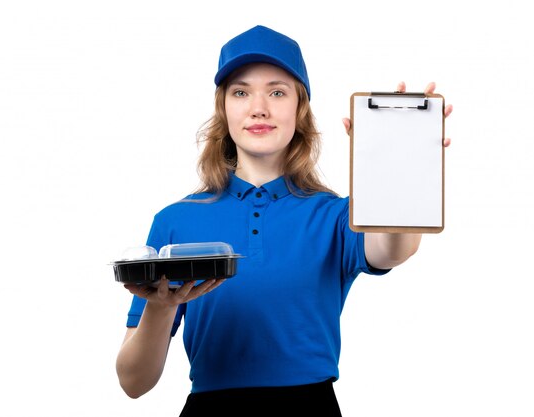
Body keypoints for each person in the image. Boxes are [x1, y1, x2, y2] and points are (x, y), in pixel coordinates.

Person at [116, 25, 453, 416]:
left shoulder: (336, 216)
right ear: (224, 109)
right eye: (241, 92)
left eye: (277, 92)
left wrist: (397, 168)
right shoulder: (175, 221)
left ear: (299, 109)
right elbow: (133, 383)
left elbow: (394, 249)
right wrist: (160, 307)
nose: (259, 107)